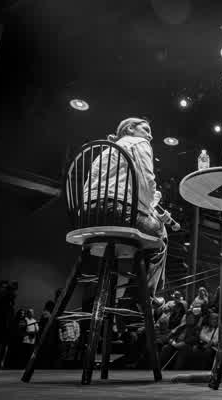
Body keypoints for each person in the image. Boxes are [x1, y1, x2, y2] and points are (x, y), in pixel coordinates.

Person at [85, 117, 173, 300]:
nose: (150, 136)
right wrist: (153, 211)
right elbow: (146, 182)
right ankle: (142, 298)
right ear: (131, 128)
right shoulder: (138, 142)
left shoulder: (106, 150)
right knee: (161, 234)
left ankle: (111, 298)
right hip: (115, 211)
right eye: (146, 129)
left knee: (136, 234)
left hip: (87, 216)